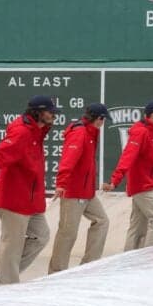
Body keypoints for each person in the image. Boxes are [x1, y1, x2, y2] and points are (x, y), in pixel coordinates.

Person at [0, 95, 56, 284]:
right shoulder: (22, 134)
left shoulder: (36, 132)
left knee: (41, 236)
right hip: (15, 198)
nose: (53, 115)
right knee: (12, 244)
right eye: (50, 112)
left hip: (31, 199)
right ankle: (8, 284)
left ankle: (2, 273)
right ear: (37, 112)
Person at [47, 103, 110, 274]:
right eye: (103, 119)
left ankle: (88, 266)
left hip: (87, 192)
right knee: (68, 233)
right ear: (98, 118)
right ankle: (56, 273)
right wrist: (61, 183)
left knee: (102, 221)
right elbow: (68, 159)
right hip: (73, 191)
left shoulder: (90, 132)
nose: (103, 123)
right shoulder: (80, 133)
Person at [104, 100, 153, 251]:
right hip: (144, 185)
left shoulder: (150, 132)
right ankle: (149, 258)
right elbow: (128, 155)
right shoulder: (141, 132)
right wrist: (115, 179)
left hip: (144, 184)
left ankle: (128, 261)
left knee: (138, 228)